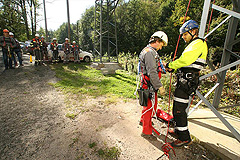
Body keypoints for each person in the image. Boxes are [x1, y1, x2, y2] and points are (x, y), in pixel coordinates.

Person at [165, 20, 208, 147]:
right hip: (184, 80)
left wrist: (171, 65)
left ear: (193, 31)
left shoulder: (199, 43)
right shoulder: (193, 44)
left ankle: (184, 138)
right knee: (177, 107)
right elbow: (186, 61)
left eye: (185, 34)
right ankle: (179, 130)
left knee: (179, 109)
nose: (183, 37)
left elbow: (185, 60)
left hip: (187, 81)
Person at [139, 31, 168, 140]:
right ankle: (146, 132)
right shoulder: (150, 53)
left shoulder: (148, 51)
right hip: (150, 85)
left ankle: (143, 121)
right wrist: (159, 86)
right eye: (161, 44)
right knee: (150, 108)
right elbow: (152, 72)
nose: (161, 47)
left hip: (147, 84)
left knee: (146, 105)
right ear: (157, 41)